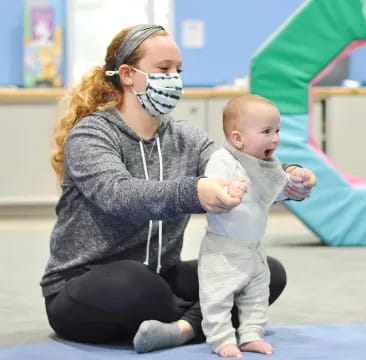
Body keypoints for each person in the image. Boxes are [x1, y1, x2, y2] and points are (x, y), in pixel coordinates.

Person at [40, 24, 317, 353]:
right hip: (86, 286)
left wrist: (288, 177)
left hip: (162, 275)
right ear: (128, 75)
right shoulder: (91, 135)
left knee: (265, 271)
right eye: (163, 69)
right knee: (137, 283)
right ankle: (202, 319)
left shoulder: (186, 136)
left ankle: (181, 328)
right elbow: (119, 195)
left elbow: (236, 165)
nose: (175, 78)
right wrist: (196, 191)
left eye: (178, 70)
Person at [198, 95, 311, 358]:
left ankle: (251, 334)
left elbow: (277, 189)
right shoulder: (222, 159)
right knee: (218, 296)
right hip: (223, 248)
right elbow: (212, 186)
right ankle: (221, 338)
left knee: (257, 296)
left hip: (254, 248)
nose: (275, 138)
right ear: (238, 139)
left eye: (277, 131)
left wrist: (296, 181)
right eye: (266, 131)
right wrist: (228, 188)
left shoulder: (265, 165)